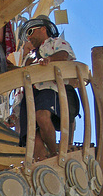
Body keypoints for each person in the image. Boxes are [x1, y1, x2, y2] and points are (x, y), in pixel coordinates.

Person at [18, 15, 79, 160]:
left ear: (43, 29)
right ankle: (43, 162)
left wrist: (49, 60)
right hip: (30, 94)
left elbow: (64, 54)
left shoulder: (56, 42)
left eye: (31, 32)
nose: (28, 37)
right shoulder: (30, 55)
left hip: (49, 88)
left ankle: (54, 153)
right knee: (32, 134)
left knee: (42, 116)